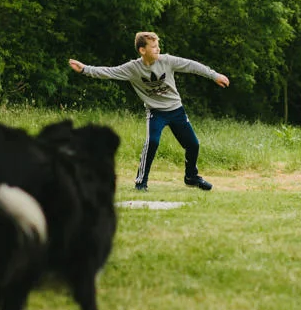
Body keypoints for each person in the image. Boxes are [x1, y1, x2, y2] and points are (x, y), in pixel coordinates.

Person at [69, 32, 229, 191]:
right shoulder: (133, 68)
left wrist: (214, 75)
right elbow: (109, 72)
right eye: (153, 47)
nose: (158, 49)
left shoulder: (167, 61)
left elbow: (192, 65)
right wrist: (84, 69)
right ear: (142, 50)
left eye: (158, 46)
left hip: (176, 110)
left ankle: (191, 177)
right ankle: (141, 182)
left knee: (193, 144)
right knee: (152, 142)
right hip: (156, 112)